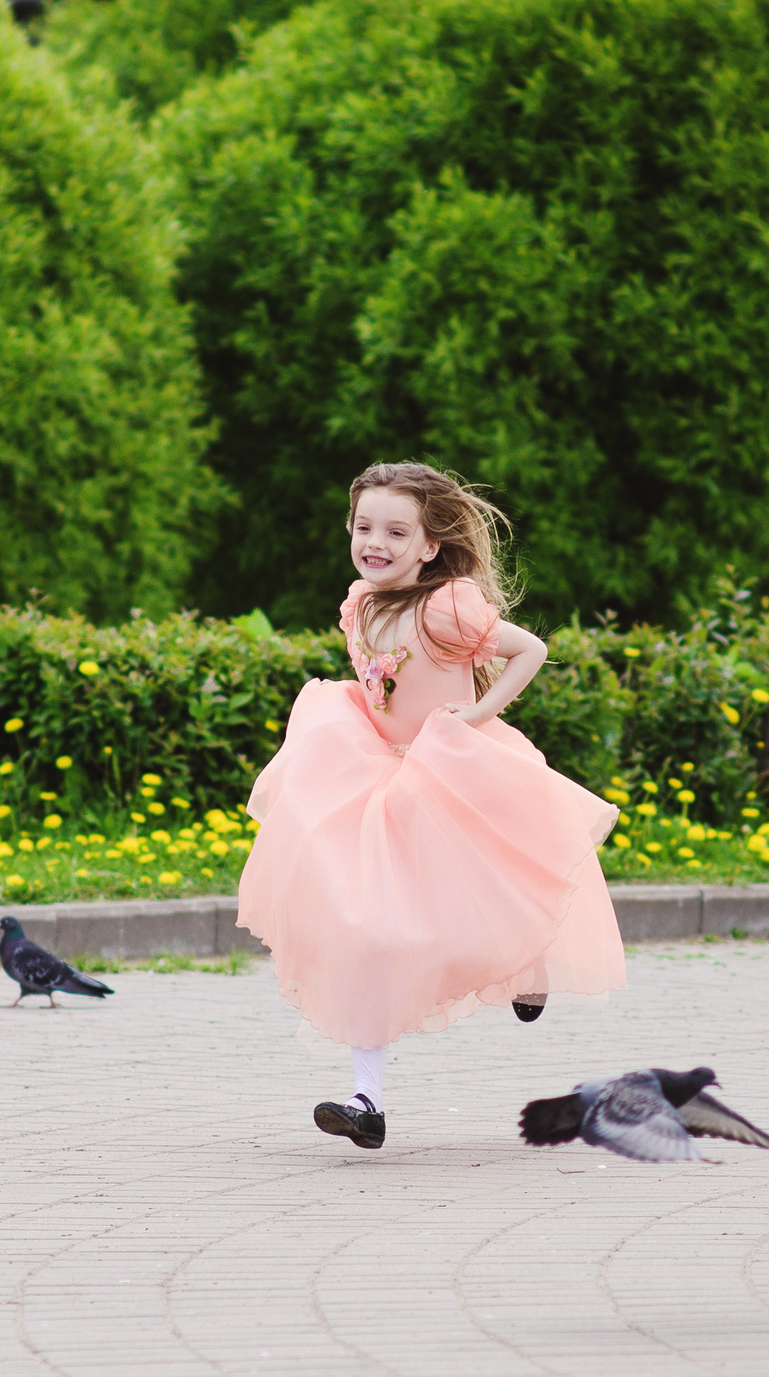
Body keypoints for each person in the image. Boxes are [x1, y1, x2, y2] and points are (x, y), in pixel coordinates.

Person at [236, 462, 625, 1148]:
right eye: (363, 527)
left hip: (453, 766)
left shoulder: (448, 605)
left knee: (496, 886)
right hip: (372, 770)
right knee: (366, 931)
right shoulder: (359, 603)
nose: (374, 542)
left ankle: (526, 969)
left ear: (429, 545)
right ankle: (367, 1099)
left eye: (395, 530)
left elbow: (529, 649)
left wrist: (472, 716)